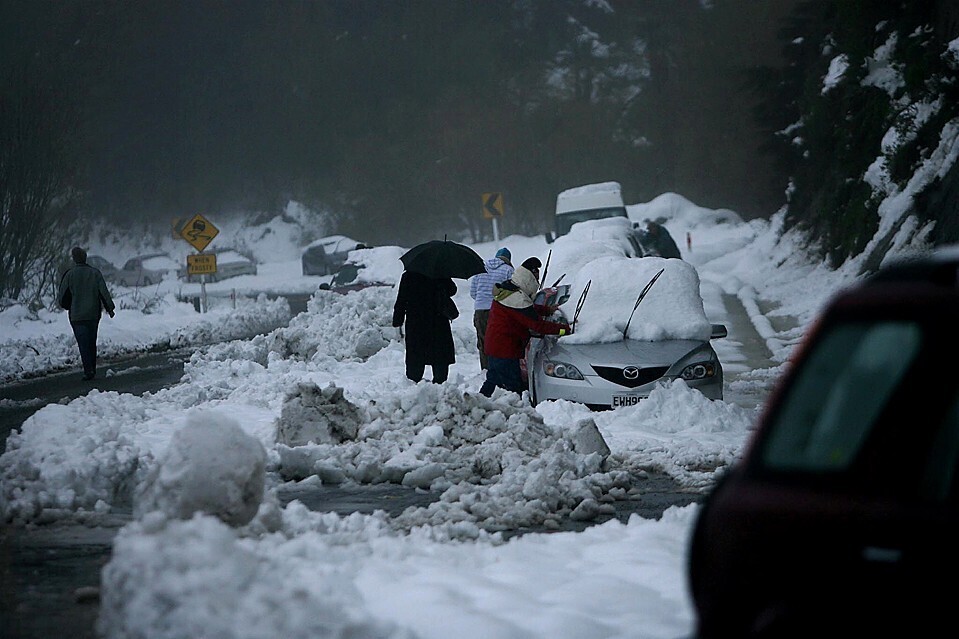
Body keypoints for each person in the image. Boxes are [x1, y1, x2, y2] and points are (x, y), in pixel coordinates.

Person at [479, 262, 570, 397]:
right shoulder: (516, 298)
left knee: (493, 379)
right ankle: (518, 412)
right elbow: (537, 325)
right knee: (514, 387)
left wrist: (547, 310)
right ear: (529, 279)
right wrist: (565, 330)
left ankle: (478, 402)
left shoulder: (509, 289)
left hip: (495, 346)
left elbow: (527, 309)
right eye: (536, 279)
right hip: (505, 350)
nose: (537, 282)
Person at [58, 246, 116, 380]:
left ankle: (88, 370)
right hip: (93, 314)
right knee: (91, 341)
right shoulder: (95, 273)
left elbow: (62, 297)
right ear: (85, 258)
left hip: (77, 316)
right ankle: (93, 369)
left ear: (74, 259)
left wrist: (69, 306)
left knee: (82, 343)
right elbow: (104, 293)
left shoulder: (69, 275)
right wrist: (110, 308)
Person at [392, 270, 457, 384]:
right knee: (439, 355)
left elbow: (401, 299)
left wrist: (398, 320)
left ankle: (413, 382)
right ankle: (440, 385)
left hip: (416, 322)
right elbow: (452, 290)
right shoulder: (440, 273)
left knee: (416, 355)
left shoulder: (409, 275)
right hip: (438, 321)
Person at [468, 247, 514, 370]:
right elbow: (512, 292)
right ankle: (498, 370)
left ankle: (486, 369)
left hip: (480, 310)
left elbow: (473, 293)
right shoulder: (508, 270)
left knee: (483, 341)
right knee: (499, 341)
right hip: (498, 311)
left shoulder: (480, 270)